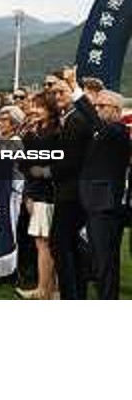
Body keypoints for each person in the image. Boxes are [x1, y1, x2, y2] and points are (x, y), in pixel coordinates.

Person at [64, 67, 130, 299]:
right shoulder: (101, 131)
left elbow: (95, 122)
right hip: (91, 202)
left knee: (104, 260)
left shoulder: (118, 131)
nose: (97, 109)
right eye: (97, 106)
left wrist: (75, 88)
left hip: (105, 205)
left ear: (115, 110)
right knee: (97, 259)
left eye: (101, 106)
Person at [41, 75, 93, 300]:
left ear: (73, 93)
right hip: (68, 191)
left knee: (60, 245)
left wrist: (47, 171)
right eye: (55, 93)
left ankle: (71, 295)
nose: (57, 96)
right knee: (68, 245)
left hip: (72, 193)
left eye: (62, 92)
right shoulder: (67, 119)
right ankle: (75, 295)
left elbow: (70, 160)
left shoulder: (77, 120)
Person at [17, 92, 60, 300]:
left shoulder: (54, 132)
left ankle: (45, 290)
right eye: (33, 105)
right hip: (33, 189)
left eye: (39, 106)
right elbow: (23, 159)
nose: (34, 110)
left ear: (50, 109)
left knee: (44, 243)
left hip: (46, 193)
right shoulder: (36, 129)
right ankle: (48, 289)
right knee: (41, 242)